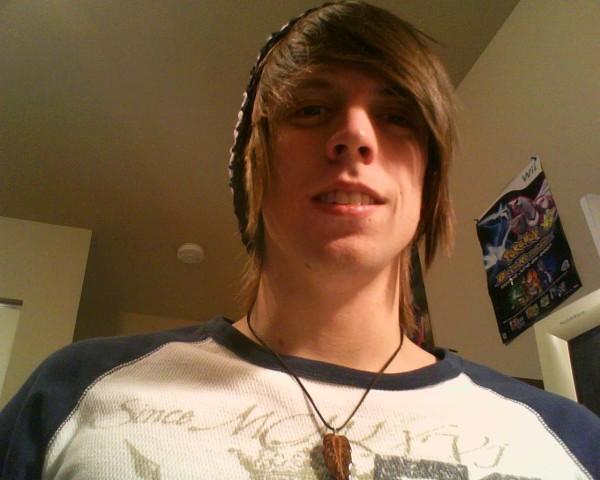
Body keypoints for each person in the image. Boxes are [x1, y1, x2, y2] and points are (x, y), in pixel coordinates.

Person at [1, 2, 599, 479]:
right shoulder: (73, 396)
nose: (355, 135)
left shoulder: (570, 442)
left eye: (397, 117)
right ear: (252, 168)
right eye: (311, 108)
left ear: (429, 180)